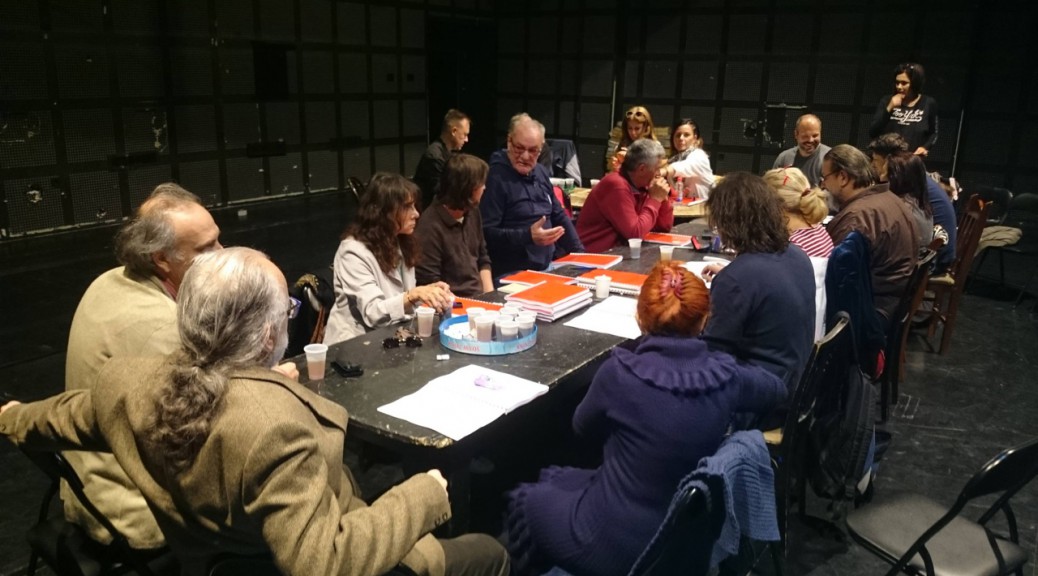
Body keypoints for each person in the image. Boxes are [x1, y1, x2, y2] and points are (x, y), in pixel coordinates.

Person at [0, 248, 510, 576]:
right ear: (269, 336)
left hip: (209, 559)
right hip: (295, 555)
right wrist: (423, 495)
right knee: (490, 553)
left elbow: (60, 417)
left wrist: (11, 415)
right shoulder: (275, 429)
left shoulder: (126, 384)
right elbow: (322, 563)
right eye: (287, 311)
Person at [503, 261, 785, 576]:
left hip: (608, 541)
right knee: (560, 482)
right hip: (682, 544)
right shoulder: (727, 377)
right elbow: (775, 390)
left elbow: (581, 427)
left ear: (640, 318)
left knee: (526, 499)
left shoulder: (618, 373)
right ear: (704, 320)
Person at [61, 183, 221, 550]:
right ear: (162, 259)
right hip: (132, 509)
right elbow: (205, 433)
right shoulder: (162, 326)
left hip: (86, 486)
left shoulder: (109, 280)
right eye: (206, 248)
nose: (222, 254)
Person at [700, 172, 816, 389]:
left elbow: (712, 355)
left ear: (727, 224)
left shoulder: (736, 279)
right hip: (795, 383)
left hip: (760, 394)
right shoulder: (798, 255)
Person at [324, 173, 453, 345]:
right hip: (353, 344)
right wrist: (413, 295)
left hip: (390, 338)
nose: (416, 214)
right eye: (407, 207)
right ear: (385, 212)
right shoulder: (353, 251)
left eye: (414, 206)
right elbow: (373, 313)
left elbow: (403, 300)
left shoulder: (400, 241)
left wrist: (426, 293)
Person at [823, 144, 919, 326]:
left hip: (872, 312)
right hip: (894, 303)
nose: (824, 186)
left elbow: (833, 277)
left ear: (842, 177)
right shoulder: (890, 198)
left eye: (825, 178)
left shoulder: (856, 218)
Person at [480, 113, 583, 278]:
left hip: (548, 266)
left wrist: (580, 255)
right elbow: (486, 233)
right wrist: (527, 236)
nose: (525, 156)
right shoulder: (495, 177)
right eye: (519, 148)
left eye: (533, 150)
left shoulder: (540, 172)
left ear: (541, 149)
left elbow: (559, 216)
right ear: (509, 141)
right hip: (512, 272)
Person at [762, 167, 833, 341]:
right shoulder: (819, 230)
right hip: (812, 331)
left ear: (776, 207)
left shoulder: (793, 248)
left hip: (791, 337)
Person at [869, 133, 957, 272]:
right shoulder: (915, 186)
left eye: (875, 160)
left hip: (931, 262)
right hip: (928, 255)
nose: (872, 166)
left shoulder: (906, 205)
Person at [415, 154, 494, 296]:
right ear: (468, 188)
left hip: (479, 298)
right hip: (452, 302)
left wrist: (490, 297)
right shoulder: (430, 225)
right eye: (481, 184)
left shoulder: (472, 211)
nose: (484, 187)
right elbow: (430, 283)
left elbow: (483, 259)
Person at [575, 139, 673, 252]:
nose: (659, 174)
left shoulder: (643, 184)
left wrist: (662, 198)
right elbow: (635, 234)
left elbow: (663, 227)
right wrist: (655, 200)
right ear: (642, 169)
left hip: (620, 252)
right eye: (657, 169)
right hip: (593, 254)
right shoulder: (616, 185)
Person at [868, 63, 938, 157]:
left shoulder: (928, 103)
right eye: (897, 83)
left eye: (904, 83)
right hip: (887, 159)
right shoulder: (886, 101)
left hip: (910, 160)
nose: (899, 87)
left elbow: (933, 133)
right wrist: (890, 107)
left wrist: (925, 147)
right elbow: (873, 132)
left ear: (914, 83)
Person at [414, 109, 471, 209]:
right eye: (465, 134)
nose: (467, 140)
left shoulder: (448, 153)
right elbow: (440, 194)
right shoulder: (434, 156)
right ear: (454, 131)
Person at [886, 151, 934, 249]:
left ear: (898, 178)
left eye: (886, 173)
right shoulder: (918, 202)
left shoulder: (902, 209)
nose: (881, 177)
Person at [772, 114, 832, 187]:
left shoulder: (831, 158)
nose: (810, 140)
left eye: (815, 135)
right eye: (805, 136)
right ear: (796, 134)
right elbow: (771, 188)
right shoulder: (783, 158)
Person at [661, 118, 714, 199]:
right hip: (682, 205)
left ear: (695, 138)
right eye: (678, 135)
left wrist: (664, 171)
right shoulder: (673, 159)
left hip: (702, 205)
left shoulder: (699, 155)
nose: (681, 138)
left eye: (686, 135)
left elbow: (684, 166)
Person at [605, 106, 658, 172]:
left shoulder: (655, 148)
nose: (633, 133)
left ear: (646, 128)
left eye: (637, 128)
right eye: (630, 128)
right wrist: (616, 167)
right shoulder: (621, 146)